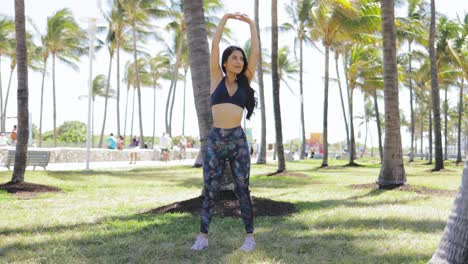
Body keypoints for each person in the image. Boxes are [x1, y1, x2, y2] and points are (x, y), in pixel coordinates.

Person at [191, 12, 259, 252]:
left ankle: (249, 238)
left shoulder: (245, 82)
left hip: (238, 141)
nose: (239, 61)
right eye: (234, 57)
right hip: (216, 141)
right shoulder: (215, 77)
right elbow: (215, 44)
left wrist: (251, 24)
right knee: (210, 189)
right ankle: (203, 236)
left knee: (242, 189)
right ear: (225, 61)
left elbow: (256, 54)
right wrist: (225, 19)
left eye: (241, 58)